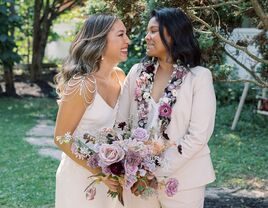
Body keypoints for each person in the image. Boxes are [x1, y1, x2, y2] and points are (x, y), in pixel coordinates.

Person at [116, 7, 216, 208]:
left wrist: (155, 171)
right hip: (137, 182)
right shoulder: (136, 73)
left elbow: (198, 136)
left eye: (153, 31)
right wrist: (132, 171)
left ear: (173, 35)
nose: (146, 37)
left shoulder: (199, 77)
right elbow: (121, 125)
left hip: (184, 181)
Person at [54, 14, 130, 208]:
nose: (127, 40)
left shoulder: (120, 77)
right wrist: (100, 171)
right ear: (100, 40)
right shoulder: (83, 84)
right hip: (82, 178)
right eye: (121, 34)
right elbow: (61, 137)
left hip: (114, 176)